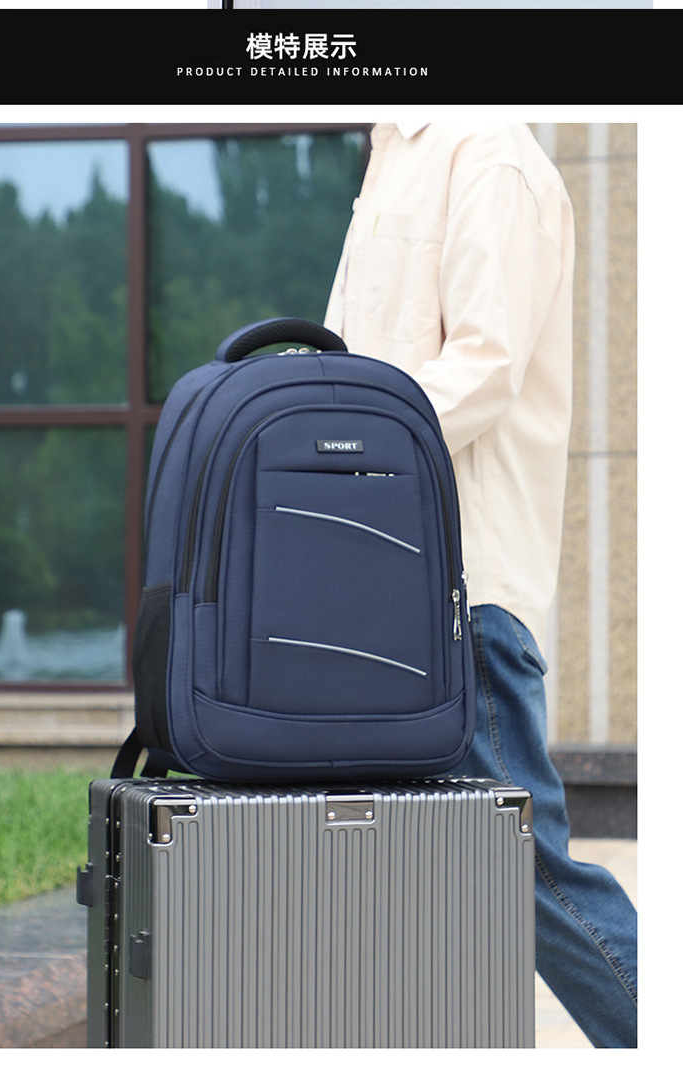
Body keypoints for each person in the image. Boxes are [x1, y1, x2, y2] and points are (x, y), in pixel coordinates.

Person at [324, 121, 637, 1049]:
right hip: (384, 575)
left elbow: (484, 365)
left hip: (462, 585)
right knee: (411, 872)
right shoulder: (394, 155)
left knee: (527, 874)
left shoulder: (490, 156)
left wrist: (337, 452)